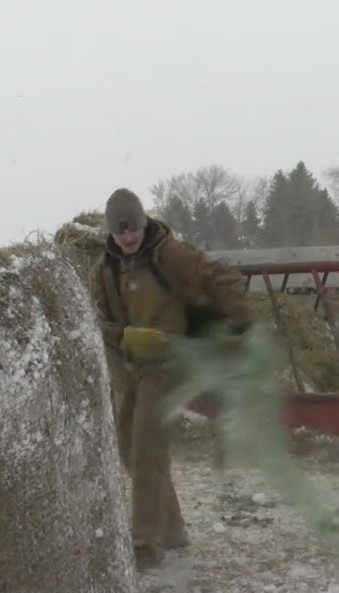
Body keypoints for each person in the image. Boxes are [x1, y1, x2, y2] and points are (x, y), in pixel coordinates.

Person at [90, 188, 251, 571]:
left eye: (136, 227)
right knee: (130, 452)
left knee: (147, 448)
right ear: (111, 232)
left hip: (170, 363)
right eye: (122, 230)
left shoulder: (169, 254)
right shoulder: (105, 270)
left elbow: (219, 278)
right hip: (131, 366)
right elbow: (100, 322)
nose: (130, 236)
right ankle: (174, 529)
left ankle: (146, 542)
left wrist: (239, 324)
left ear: (145, 223)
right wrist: (124, 337)